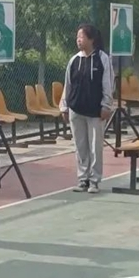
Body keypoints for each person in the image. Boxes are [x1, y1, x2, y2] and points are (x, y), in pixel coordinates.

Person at [59, 24, 113, 194]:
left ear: (92, 39)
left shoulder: (102, 59)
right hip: (76, 111)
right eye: (77, 37)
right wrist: (64, 106)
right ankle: (83, 179)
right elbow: (68, 85)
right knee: (80, 146)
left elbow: (108, 84)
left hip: (96, 112)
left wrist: (106, 105)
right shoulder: (74, 60)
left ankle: (94, 181)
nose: (78, 40)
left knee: (95, 147)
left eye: (81, 37)